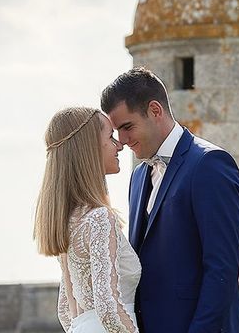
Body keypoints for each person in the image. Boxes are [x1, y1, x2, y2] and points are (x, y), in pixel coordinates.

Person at [101, 67, 239, 333]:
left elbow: (221, 269)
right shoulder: (137, 177)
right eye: (116, 131)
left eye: (127, 127)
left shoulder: (209, 164)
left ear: (155, 110)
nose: (121, 141)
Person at [33, 107, 141, 333]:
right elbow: (108, 309)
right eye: (110, 137)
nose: (119, 145)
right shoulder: (99, 218)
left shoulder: (68, 219)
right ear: (90, 148)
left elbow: (66, 310)